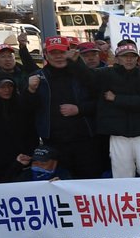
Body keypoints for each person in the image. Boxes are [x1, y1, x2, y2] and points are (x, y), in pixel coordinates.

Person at [24, 37, 102, 179]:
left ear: (69, 52)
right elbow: (27, 110)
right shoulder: (36, 77)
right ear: (46, 55)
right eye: (53, 53)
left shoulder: (81, 74)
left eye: (62, 52)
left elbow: (100, 100)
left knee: (89, 180)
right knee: (60, 183)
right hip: (54, 143)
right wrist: (30, 90)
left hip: (85, 140)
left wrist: (79, 109)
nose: (58, 56)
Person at [96, 45, 140, 177]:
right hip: (118, 134)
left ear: (137, 58)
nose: (129, 59)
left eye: (132, 56)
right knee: (122, 175)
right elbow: (86, 75)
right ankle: (125, 198)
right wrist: (74, 61)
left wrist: (116, 98)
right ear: (117, 59)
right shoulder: (106, 74)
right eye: (125, 56)